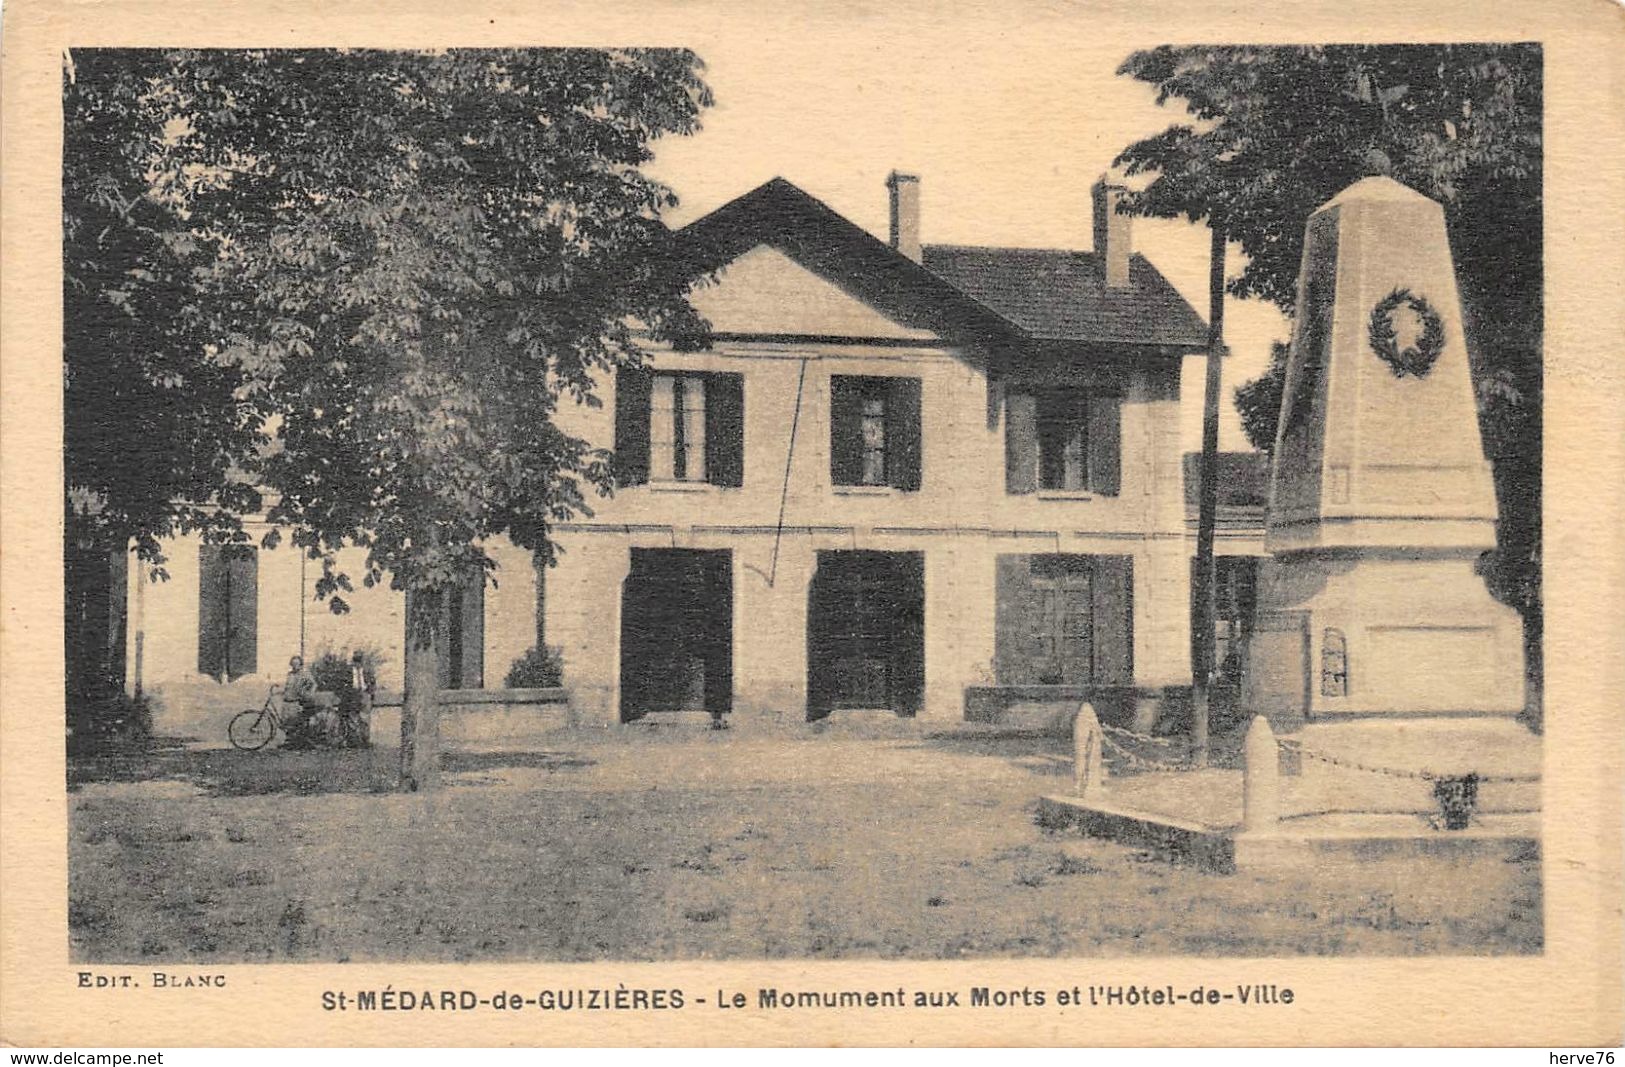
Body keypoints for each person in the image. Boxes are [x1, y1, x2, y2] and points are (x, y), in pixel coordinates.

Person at [337, 650, 375, 748]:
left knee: (365, 718)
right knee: (352, 717)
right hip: (352, 694)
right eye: (356, 660)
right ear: (353, 660)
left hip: (364, 694)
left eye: (360, 660)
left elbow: (372, 682)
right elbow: (341, 683)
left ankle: (365, 740)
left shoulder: (367, 670)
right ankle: (353, 741)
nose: (358, 663)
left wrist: (370, 693)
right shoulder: (347, 670)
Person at [280, 655, 321, 749]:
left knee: (296, 722)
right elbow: (287, 687)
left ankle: (299, 742)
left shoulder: (305, 673)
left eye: (297, 664)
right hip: (287, 701)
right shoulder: (290, 674)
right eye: (293, 664)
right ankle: (289, 741)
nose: (295, 666)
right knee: (286, 722)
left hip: (298, 701)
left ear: (300, 664)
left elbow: (314, 684)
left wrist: (309, 693)